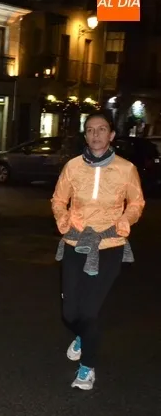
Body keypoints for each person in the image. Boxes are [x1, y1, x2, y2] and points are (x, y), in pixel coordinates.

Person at [53, 111, 144, 390]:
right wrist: (64, 220)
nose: (96, 134)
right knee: (70, 313)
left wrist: (125, 221)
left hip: (109, 246)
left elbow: (136, 203)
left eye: (101, 129)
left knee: (90, 312)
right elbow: (59, 199)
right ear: (85, 135)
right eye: (91, 130)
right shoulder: (72, 167)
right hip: (75, 243)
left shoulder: (126, 169)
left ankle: (87, 368)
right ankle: (81, 335)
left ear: (111, 135)